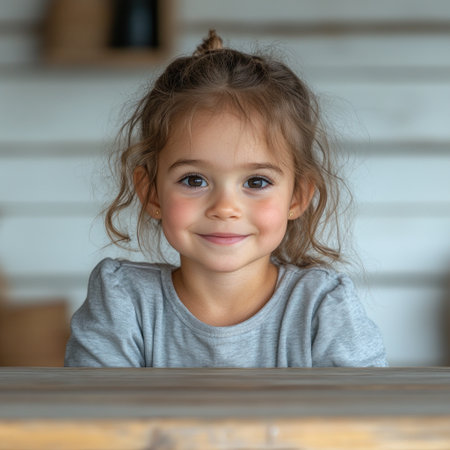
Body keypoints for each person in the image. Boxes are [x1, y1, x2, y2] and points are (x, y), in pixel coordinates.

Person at [65, 30, 387, 367]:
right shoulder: (124, 301)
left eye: (256, 181)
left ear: (298, 196)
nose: (225, 208)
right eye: (194, 180)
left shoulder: (322, 306)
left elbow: (367, 417)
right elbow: (95, 416)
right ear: (150, 192)